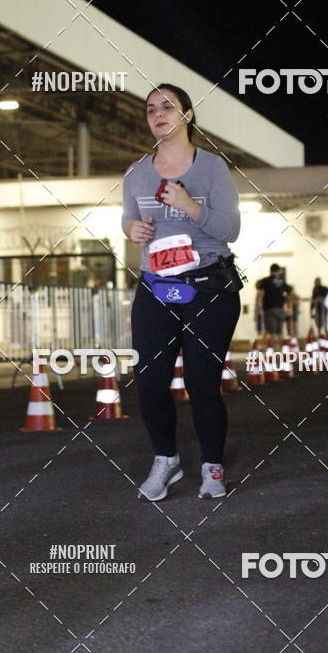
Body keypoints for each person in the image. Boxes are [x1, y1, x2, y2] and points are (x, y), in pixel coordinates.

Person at [122, 83, 241, 502]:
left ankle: (212, 465)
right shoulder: (137, 172)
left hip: (208, 285)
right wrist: (131, 229)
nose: (158, 114)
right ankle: (166, 459)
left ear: (187, 116)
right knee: (149, 381)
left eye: (167, 107)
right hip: (157, 286)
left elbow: (230, 230)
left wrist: (191, 206)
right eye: (151, 108)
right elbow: (128, 219)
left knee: (201, 381)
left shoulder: (212, 168)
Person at [255, 264, 292, 347]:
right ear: (278, 271)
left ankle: (274, 350)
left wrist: (257, 308)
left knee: (272, 332)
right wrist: (289, 307)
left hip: (269, 309)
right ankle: (281, 350)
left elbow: (260, 294)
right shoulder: (282, 281)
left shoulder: (266, 281)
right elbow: (289, 292)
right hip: (280, 309)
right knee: (280, 332)